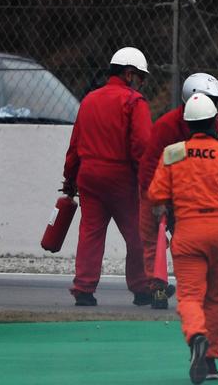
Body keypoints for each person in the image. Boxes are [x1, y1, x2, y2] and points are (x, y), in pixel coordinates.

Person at [148, 93, 218, 384]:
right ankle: (211, 361)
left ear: (188, 123)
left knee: (190, 295)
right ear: (213, 121)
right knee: (215, 298)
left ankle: (196, 335)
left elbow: (155, 194)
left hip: (189, 232)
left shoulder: (174, 152)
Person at [61, 47, 152, 306]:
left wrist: (69, 178)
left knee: (90, 233)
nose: (142, 83)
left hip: (89, 176)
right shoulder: (134, 102)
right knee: (137, 233)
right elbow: (142, 146)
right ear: (129, 74)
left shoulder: (89, 99)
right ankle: (141, 287)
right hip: (121, 178)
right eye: (141, 77)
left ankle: (84, 289)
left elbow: (75, 144)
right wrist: (148, 180)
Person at [140, 73, 218, 310]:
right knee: (152, 238)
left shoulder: (213, 123)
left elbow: (217, 160)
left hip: (188, 193)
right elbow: (150, 165)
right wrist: (156, 200)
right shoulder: (166, 127)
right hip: (157, 188)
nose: (216, 109)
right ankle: (156, 287)